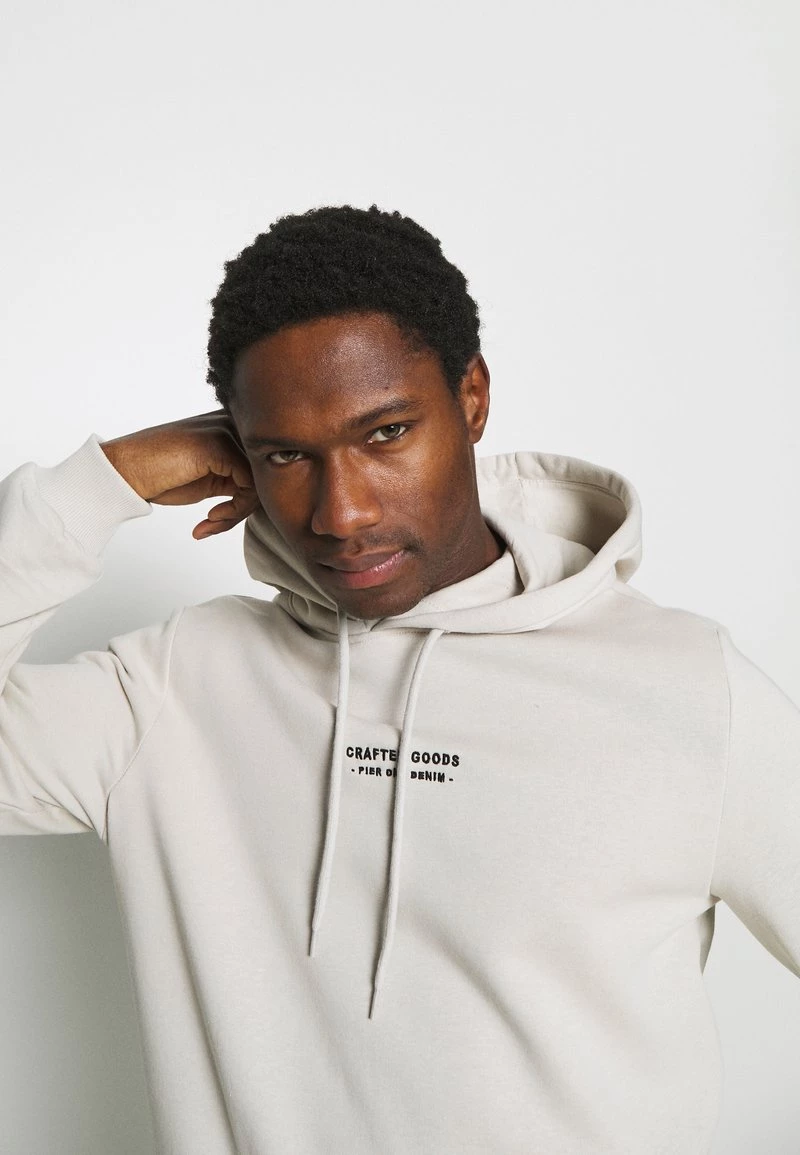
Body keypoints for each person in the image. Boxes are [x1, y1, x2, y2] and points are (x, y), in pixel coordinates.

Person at [1, 204, 798, 1155]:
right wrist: (102, 485)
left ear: (473, 398)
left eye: (385, 433)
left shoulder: (688, 689)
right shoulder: (175, 689)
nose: (340, 513)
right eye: (286, 454)